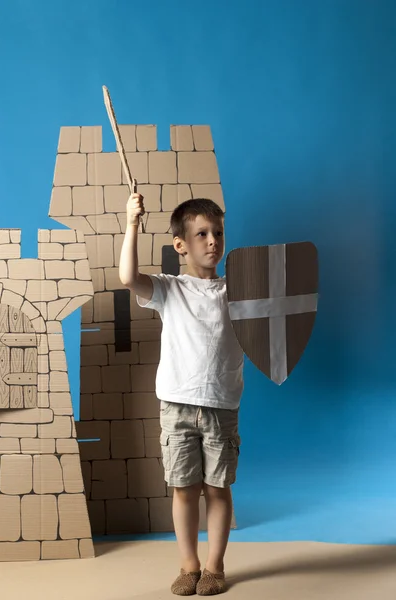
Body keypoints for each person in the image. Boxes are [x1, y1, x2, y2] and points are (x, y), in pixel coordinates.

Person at [119, 193, 244, 596]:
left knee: (218, 489)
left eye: (218, 233)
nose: (213, 242)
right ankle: (189, 565)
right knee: (184, 489)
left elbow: (272, 325)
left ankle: (214, 566)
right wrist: (132, 223)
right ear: (181, 245)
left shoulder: (238, 292)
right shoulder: (169, 290)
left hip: (221, 405)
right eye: (202, 234)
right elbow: (127, 277)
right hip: (177, 405)